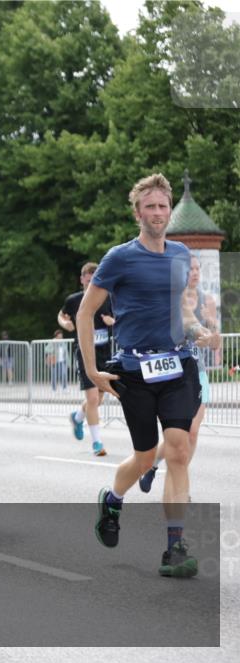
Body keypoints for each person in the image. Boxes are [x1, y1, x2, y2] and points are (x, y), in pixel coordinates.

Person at [81, 173, 211, 578]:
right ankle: (113, 498)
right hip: (135, 370)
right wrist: (91, 370)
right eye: (150, 206)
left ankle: (175, 547)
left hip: (178, 365)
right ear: (138, 212)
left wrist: (199, 331)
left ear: (170, 210)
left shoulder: (181, 256)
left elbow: (182, 311)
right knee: (142, 457)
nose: (158, 213)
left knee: (178, 450)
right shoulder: (119, 257)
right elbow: (86, 313)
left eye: (163, 206)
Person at [138, 253, 221, 494]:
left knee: (192, 433)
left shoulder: (208, 300)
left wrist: (210, 324)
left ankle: (179, 485)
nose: (194, 273)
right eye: (190, 269)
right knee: (179, 434)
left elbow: (215, 340)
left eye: (197, 269)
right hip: (175, 372)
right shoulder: (173, 298)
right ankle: (154, 466)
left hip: (199, 372)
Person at [59, 261, 115, 456]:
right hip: (84, 352)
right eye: (88, 279)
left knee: (97, 400)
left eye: (95, 280)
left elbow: (117, 319)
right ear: (82, 279)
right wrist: (65, 323)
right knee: (92, 398)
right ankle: (97, 443)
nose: (91, 283)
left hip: (103, 354)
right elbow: (62, 315)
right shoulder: (74, 300)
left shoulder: (106, 297)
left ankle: (77, 417)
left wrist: (111, 322)